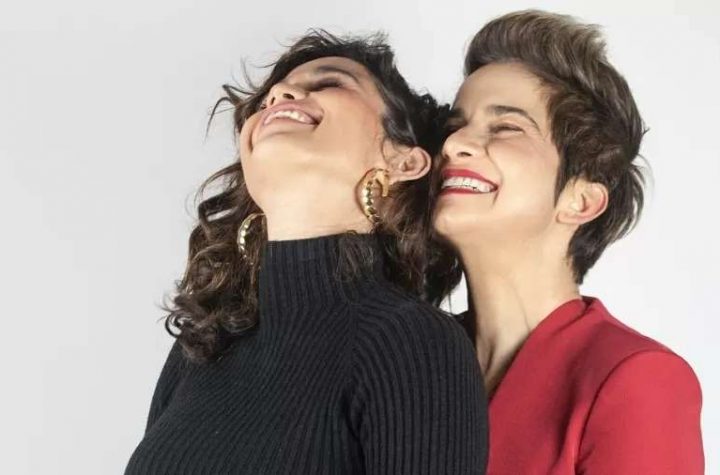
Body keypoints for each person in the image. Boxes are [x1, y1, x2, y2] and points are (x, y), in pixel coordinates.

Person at [124, 30, 488, 474]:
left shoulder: (413, 341)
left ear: (403, 161)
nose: (280, 94)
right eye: (267, 100)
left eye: (330, 82)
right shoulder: (204, 342)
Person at [429, 10, 704, 474]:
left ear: (581, 200)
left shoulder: (636, 378)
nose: (453, 145)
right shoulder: (411, 360)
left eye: (506, 127)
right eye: (454, 126)